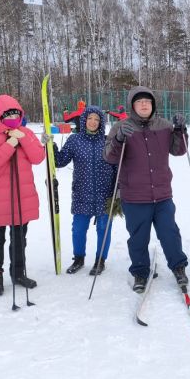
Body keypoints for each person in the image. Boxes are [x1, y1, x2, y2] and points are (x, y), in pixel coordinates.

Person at [103, 86, 189, 293]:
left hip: (162, 194)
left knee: (170, 233)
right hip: (134, 195)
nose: (144, 104)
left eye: (148, 101)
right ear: (133, 105)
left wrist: (180, 130)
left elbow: (179, 150)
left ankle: (178, 267)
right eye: (140, 101)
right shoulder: (120, 127)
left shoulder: (164, 126)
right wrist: (119, 139)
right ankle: (140, 271)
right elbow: (109, 157)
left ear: (153, 105)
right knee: (138, 237)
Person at [50, 106, 117, 275]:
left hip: (105, 193)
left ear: (101, 122)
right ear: (84, 120)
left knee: (104, 228)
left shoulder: (108, 141)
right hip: (82, 193)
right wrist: (51, 145)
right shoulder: (75, 141)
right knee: (78, 228)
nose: (93, 122)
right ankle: (79, 258)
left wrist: (118, 189)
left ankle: (100, 261)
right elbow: (60, 161)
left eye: (97, 119)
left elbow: (118, 166)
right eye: (90, 118)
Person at [0, 95, 45, 296]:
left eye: (16, 113)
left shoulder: (26, 132)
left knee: (19, 239)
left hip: (22, 198)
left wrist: (24, 139)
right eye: (8, 114)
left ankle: (18, 273)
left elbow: (38, 157)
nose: (13, 116)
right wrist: (10, 143)